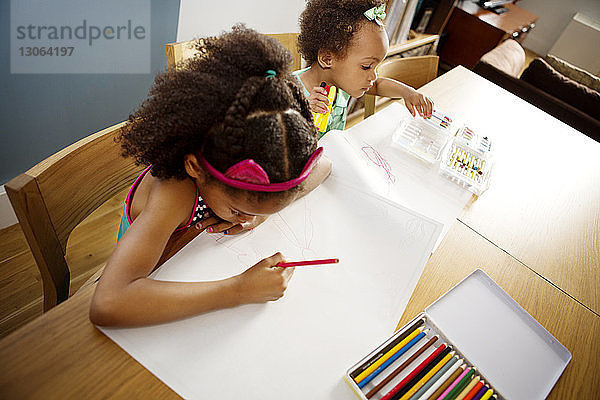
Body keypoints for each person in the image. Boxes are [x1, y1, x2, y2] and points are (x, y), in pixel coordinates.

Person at [89, 25, 331, 327]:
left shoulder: (243, 183)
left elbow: (324, 167)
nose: (242, 220)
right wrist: (238, 290)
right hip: (151, 271)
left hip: (191, 259)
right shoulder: (175, 193)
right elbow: (108, 302)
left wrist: (258, 215)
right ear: (195, 168)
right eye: (239, 210)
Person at [295, 0, 434, 135]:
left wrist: (407, 93)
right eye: (366, 67)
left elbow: (378, 86)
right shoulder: (289, 90)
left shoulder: (340, 83)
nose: (374, 77)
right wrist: (300, 113)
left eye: (375, 67)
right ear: (327, 59)